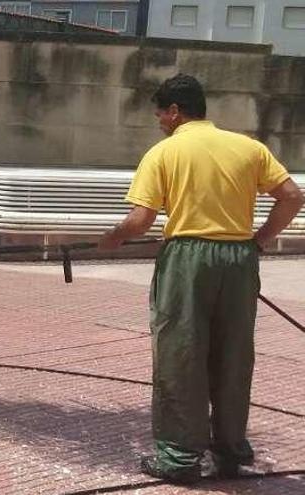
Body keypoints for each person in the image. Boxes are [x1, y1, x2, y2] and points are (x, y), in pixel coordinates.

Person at [98, 74, 304, 483]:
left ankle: (178, 458)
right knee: (232, 354)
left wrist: (113, 238)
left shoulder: (166, 152)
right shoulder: (248, 148)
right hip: (239, 257)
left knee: (181, 354)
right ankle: (229, 451)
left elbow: (141, 220)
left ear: (175, 111)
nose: (159, 121)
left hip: (188, 259)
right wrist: (259, 241)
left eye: (160, 113)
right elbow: (293, 196)